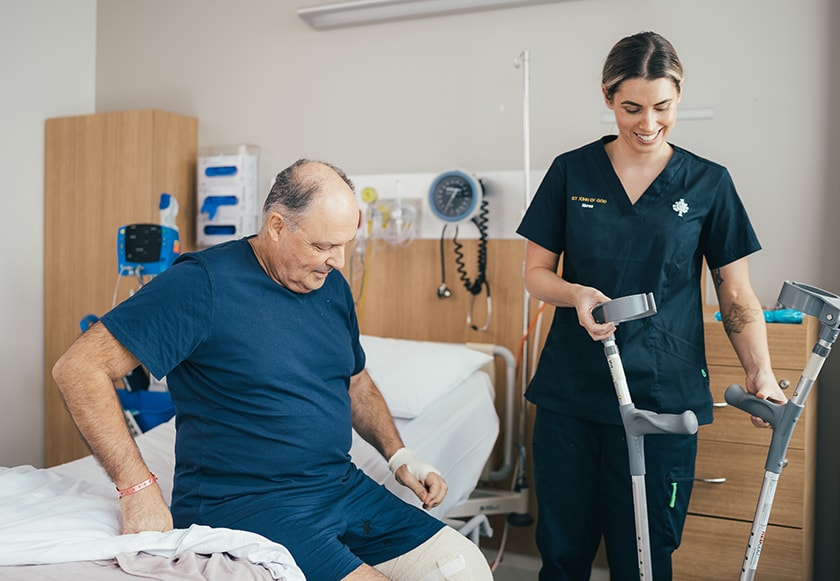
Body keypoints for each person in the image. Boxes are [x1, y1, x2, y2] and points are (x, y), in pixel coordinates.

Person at [52, 159, 493, 580]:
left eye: (344, 245)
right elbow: (79, 368)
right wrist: (136, 488)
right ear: (277, 226)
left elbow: (355, 382)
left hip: (340, 488)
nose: (337, 260)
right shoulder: (202, 284)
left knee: (464, 567)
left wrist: (400, 456)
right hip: (244, 504)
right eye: (323, 246)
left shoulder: (331, 285)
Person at [516, 31, 786, 580]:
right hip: (573, 393)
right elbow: (536, 274)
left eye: (662, 107)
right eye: (632, 108)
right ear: (608, 97)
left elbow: (735, 295)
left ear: (679, 95)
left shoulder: (709, 183)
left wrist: (761, 373)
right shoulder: (571, 171)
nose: (648, 123)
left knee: (644, 556)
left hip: (664, 397)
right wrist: (575, 293)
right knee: (562, 556)